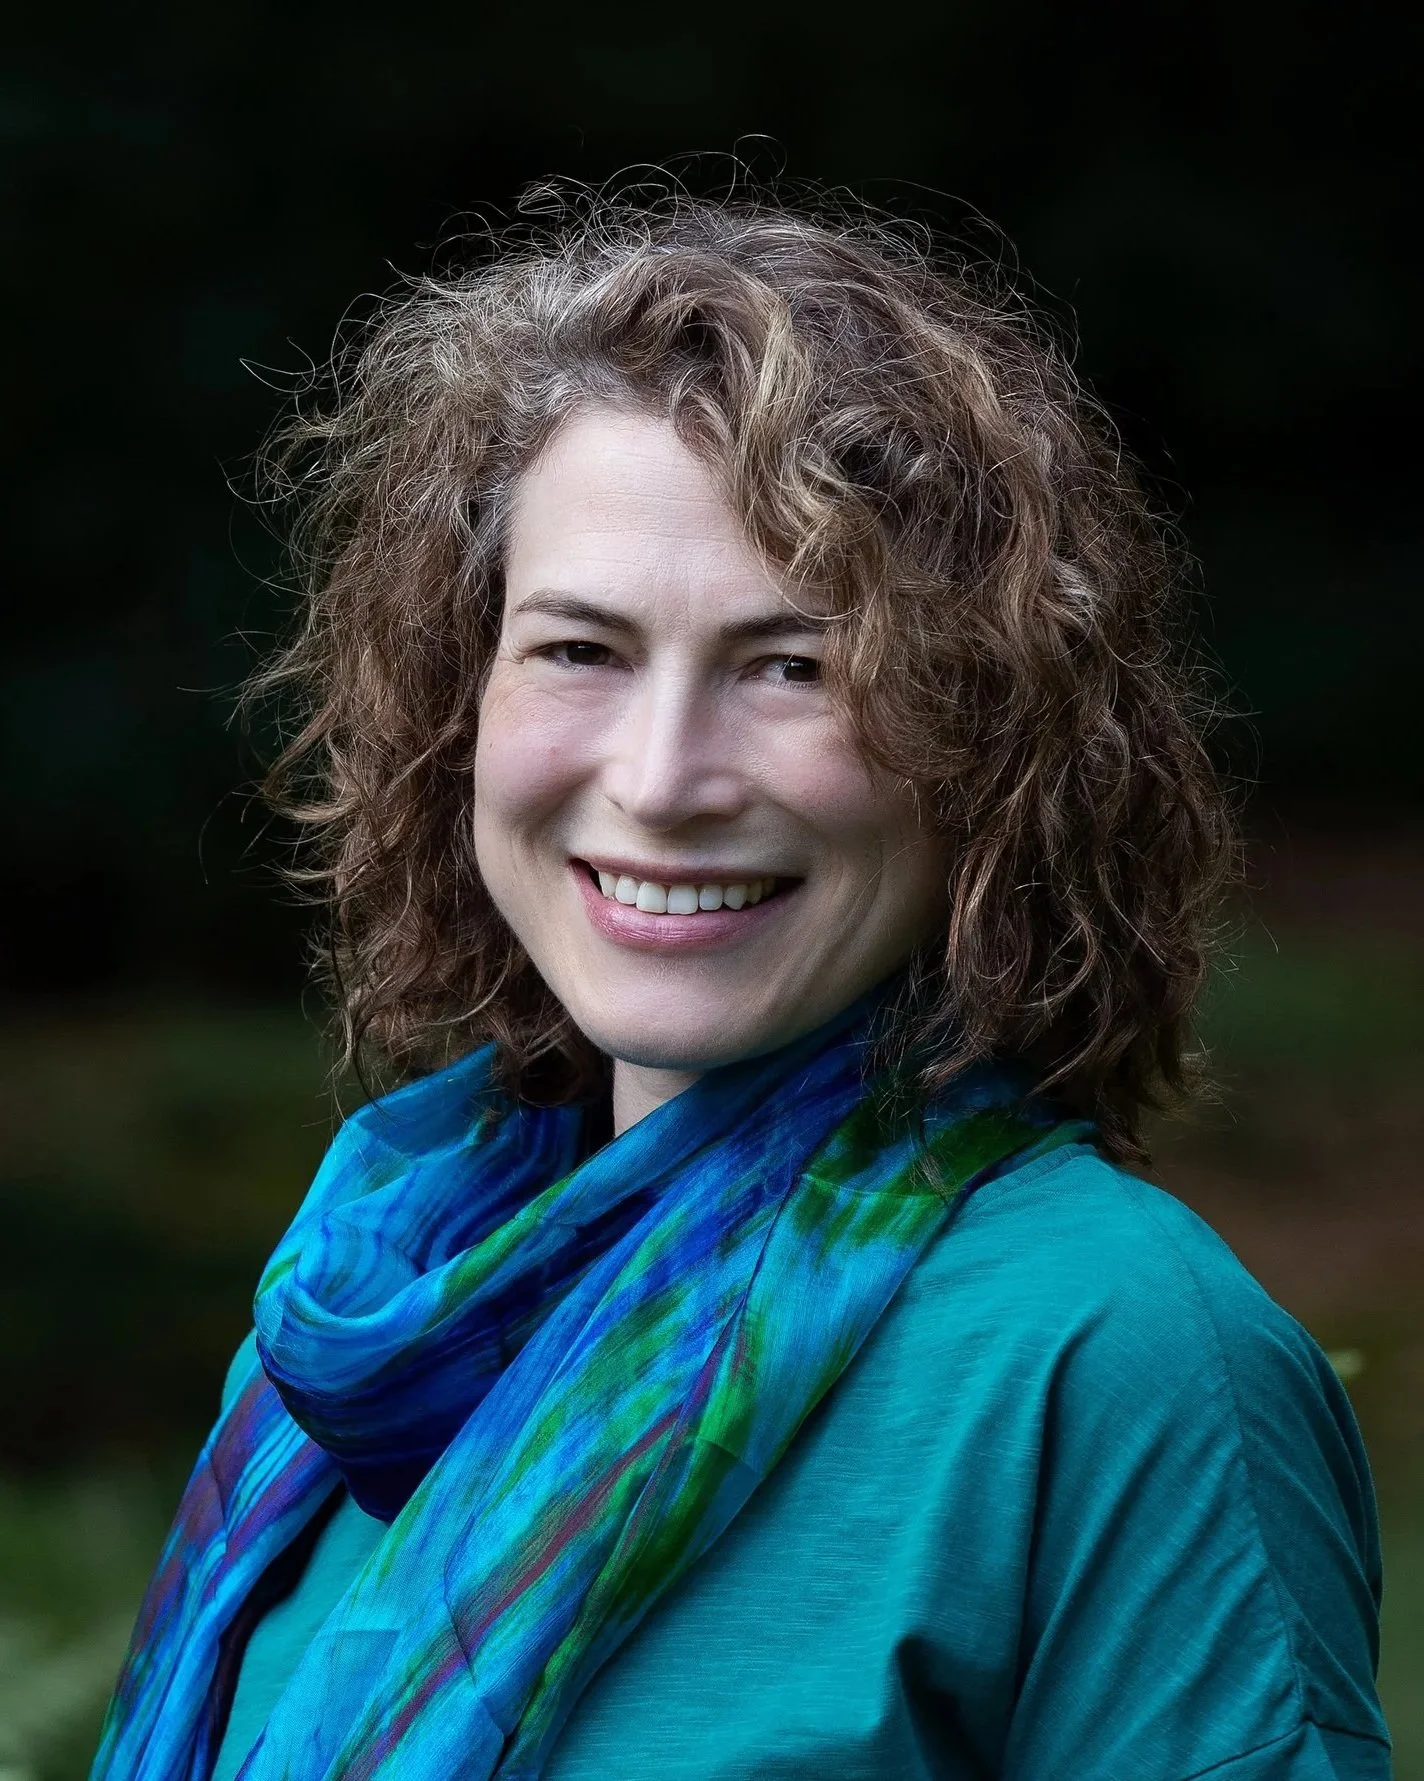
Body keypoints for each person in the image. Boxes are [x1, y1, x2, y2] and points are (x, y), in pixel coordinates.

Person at [92, 187, 1391, 1780]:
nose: (663, 779)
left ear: (987, 749)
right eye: (580, 650)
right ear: (459, 702)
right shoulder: (366, 1306)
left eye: (798, 667)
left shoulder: (1111, 1354)